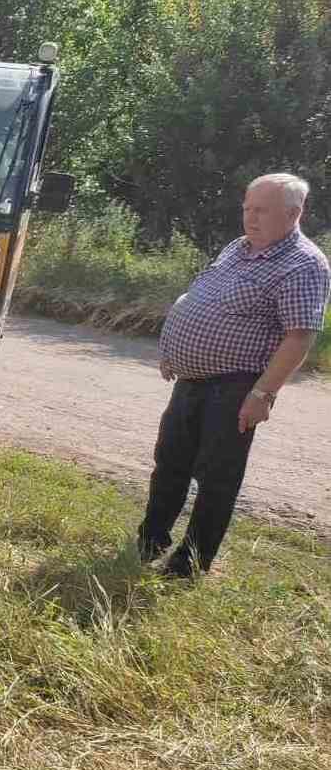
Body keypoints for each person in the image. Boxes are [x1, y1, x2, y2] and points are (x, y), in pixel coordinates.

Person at [139, 173, 327, 579]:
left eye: (261, 211)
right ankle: (150, 540)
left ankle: (189, 565)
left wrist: (263, 394)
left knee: (216, 477)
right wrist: (174, 349)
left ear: (293, 214)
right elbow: (202, 298)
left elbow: (299, 337)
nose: (250, 218)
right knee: (169, 460)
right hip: (192, 380)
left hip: (236, 385)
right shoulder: (238, 248)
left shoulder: (303, 264)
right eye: (247, 208)